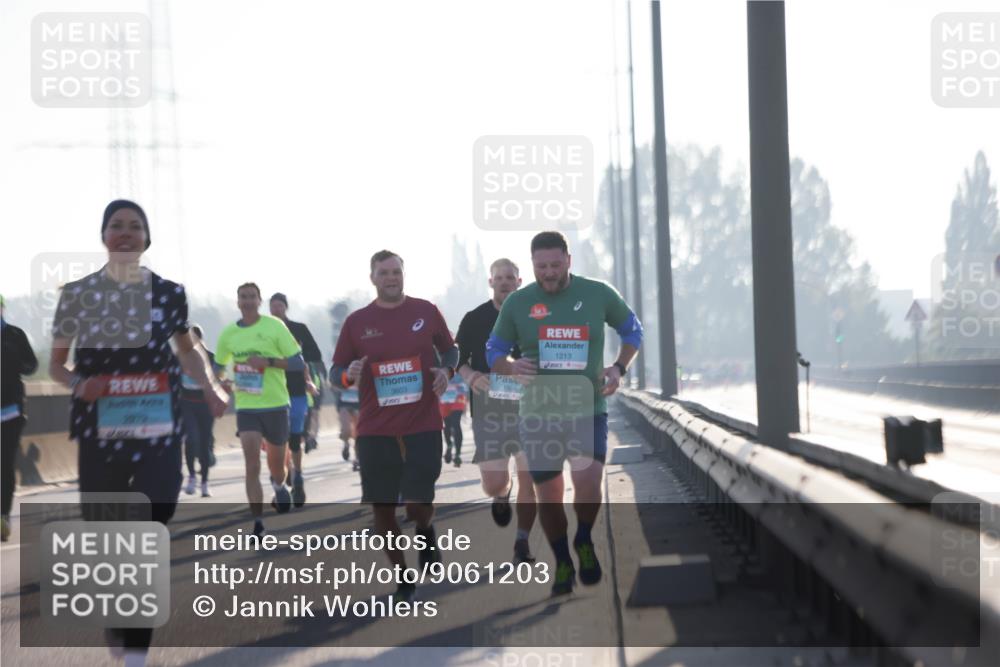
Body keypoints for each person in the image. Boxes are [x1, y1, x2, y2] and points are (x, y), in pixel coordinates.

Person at [48, 199, 228, 666]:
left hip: (158, 428)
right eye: (116, 226)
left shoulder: (169, 293)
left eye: (135, 227)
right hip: (100, 431)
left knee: (149, 526)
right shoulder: (77, 295)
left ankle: (134, 655)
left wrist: (210, 387)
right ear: (103, 236)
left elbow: (188, 352)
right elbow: (56, 364)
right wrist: (78, 384)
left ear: (147, 239)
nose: (125, 233)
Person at [487, 231, 643, 596]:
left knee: (588, 483)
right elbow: (494, 348)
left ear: (568, 260)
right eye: (541, 267)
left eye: (556, 265)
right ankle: (562, 561)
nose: (549, 272)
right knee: (550, 494)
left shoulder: (598, 293)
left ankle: (584, 538)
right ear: (533, 266)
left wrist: (619, 368)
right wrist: (509, 367)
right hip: (538, 414)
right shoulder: (518, 303)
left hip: (587, 408)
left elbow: (632, 329)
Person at [330, 250, 457, 602]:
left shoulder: (426, 312)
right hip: (375, 428)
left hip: (423, 422)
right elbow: (335, 372)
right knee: (382, 509)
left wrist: (446, 372)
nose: (391, 278)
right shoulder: (357, 322)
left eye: (396, 271)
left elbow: (451, 351)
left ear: (404, 274)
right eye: (384, 273)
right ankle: (403, 577)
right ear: (372, 278)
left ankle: (425, 528)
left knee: (417, 503)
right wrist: (347, 374)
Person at [455, 258, 537, 564]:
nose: (504, 282)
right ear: (491, 282)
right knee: (493, 483)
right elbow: (456, 358)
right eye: (499, 277)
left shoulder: (534, 315)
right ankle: (503, 494)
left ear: (519, 281)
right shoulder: (475, 318)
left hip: (530, 409)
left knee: (531, 476)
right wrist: (471, 376)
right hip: (489, 409)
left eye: (510, 277)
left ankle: (522, 542)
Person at [215, 283, 304, 536]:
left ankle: (278, 486)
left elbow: (298, 362)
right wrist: (221, 380)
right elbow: (218, 367)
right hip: (247, 408)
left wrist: (268, 362)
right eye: (243, 297)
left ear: (259, 300)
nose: (248, 301)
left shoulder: (274, 326)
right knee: (251, 464)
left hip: (276, 405)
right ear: (237, 302)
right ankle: (258, 523)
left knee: (277, 467)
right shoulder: (229, 334)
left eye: (252, 297)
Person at [268, 292, 322, 507]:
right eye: (273, 306)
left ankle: (297, 478)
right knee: (276, 443)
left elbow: (315, 354)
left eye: (280, 306)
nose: (276, 309)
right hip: (272, 394)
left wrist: (304, 370)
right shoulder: (263, 331)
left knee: (294, 439)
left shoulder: (299, 329)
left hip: (297, 391)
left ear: (286, 307)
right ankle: (281, 485)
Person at [1, 295, 38, 542]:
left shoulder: (15, 335)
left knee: (4, 464)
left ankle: (2, 515)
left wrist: (14, 360)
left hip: (10, 412)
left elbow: (31, 365)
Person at [180, 324, 218, 498]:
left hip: (205, 404)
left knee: (204, 443)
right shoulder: (180, 357)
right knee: (191, 439)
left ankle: (204, 483)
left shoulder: (210, 357)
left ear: (202, 339)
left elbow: (218, 380)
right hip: (187, 403)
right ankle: (192, 478)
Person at [439, 372, 467, 466]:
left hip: (458, 396)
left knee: (456, 423)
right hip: (444, 398)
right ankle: (449, 445)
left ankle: (458, 454)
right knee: (447, 425)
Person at [334, 372, 361, 471]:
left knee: (358, 433)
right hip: (344, 402)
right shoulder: (342, 365)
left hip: (358, 402)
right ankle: (346, 444)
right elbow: (334, 383)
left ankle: (357, 458)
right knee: (346, 430)